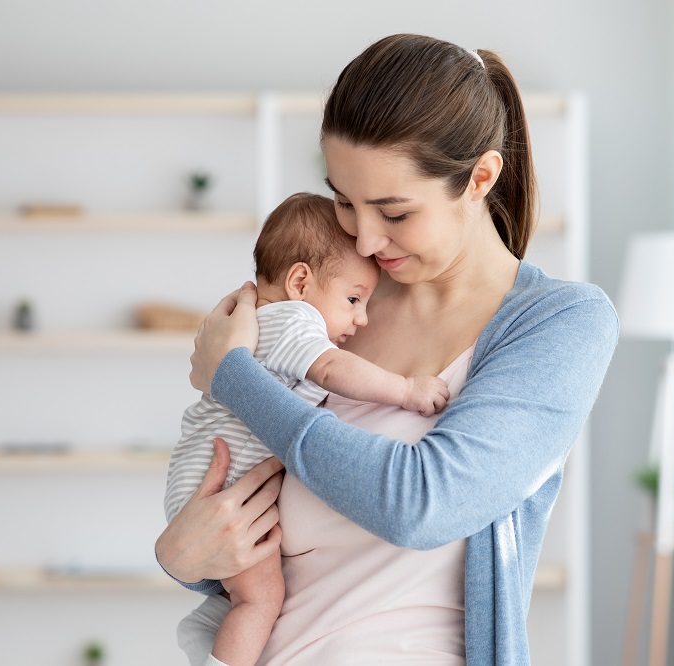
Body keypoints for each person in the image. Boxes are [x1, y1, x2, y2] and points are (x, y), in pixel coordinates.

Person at [156, 33, 619, 665]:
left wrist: (235, 377)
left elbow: (421, 505)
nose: (366, 240)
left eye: (394, 213)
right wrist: (181, 558)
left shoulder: (560, 322)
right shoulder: (336, 307)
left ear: (481, 178)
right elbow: (240, 510)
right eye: (344, 202)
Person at [164, 192, 450, 666]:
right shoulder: (294, 321)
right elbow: (334, 369)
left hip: (202, 482)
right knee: (260, 599)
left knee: (246, 592)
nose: (361, 318)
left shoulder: (256, 324)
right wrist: (405, 389)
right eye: (353, 299)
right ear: (300, 282)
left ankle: (209, 624)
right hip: (221, 487)